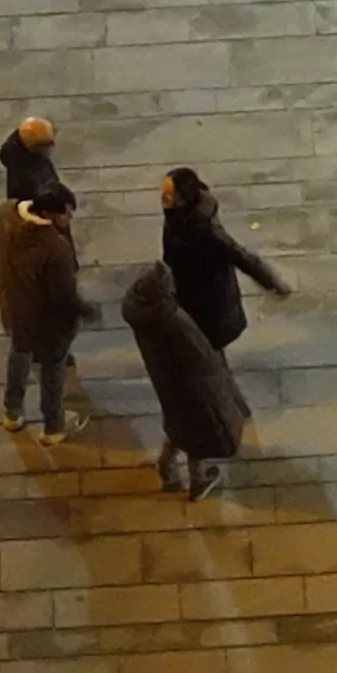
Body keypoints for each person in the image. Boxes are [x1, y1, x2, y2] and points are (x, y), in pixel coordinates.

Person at [123, 258, 249, 498]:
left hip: (166, 378)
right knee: (199, 428)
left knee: (178, 422)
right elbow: (203, 356)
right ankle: (198, 480)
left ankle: (167, 465)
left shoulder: (140, 309)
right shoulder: (174, 321)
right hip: (191, 382)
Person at [0, 183, 85, 438]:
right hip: (46, 322)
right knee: (53, 367)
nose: (70, 218)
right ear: (49, 215)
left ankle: (12, 412)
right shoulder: (56, 247)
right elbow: (63, 294)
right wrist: (79, 313)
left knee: (19, 354)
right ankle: (54, 425)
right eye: (66, 213)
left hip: (15, 308)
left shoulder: (4, 216)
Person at [160, 168, 291, 349]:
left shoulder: (206, 231)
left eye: (169, 195)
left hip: (208, 303)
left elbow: (240, 256)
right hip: (188, 292)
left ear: (183, 198)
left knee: (205, 348)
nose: (164, 200)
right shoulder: (178, 215)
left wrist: (271, 282)